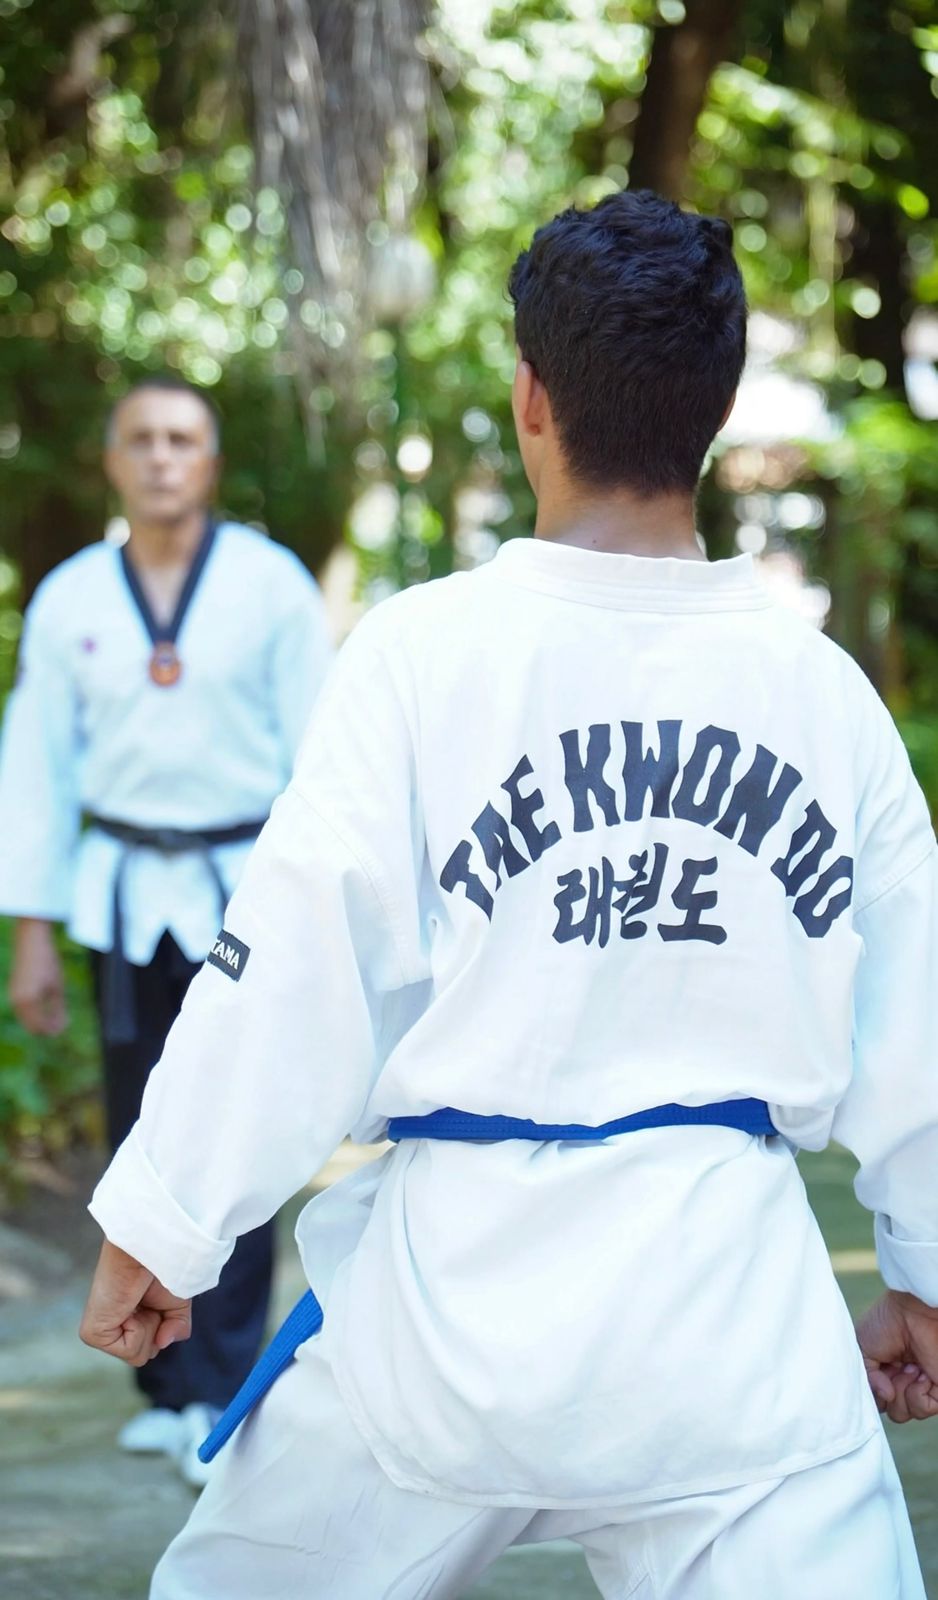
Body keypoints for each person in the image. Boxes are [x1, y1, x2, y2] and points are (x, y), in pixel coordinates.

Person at [80, 192, 938, 1597]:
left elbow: (292, 967)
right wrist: (920, 1273)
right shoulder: (819, 692)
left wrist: (165, 1223)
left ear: (530, 398)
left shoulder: (421, 653)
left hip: (441, 1320)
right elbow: (914, 1023)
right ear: (715, 409)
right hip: (730, 1328)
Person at [0, 376, 333, 1488]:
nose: (159, 457)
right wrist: (32, 930)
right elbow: (37, 770)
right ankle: (161, 1381)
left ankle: (225, 1382)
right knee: (140, 1126)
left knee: (241, 1125)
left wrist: (322, 915)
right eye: (140, 439)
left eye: (181, 439)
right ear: (111, 460)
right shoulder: (70, 598)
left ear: (211, 461)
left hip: (246, 887)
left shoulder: (269, 585)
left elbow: (322, 756)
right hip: (123, 893)